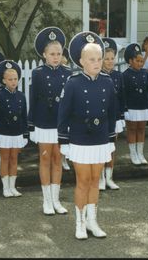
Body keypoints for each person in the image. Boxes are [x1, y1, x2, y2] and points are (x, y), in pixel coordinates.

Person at [59, 31, 116, 239]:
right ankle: (80, 223)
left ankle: (92, 221)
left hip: (100, 139)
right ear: (82, 61)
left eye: (99, 59)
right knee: (82, 181)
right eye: (92, 59)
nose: (97, 63)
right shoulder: (73, 83)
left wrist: (111, 139)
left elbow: (111, 112)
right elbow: (63, 114)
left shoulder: (107, 82)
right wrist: (63, 142)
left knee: (95, 180)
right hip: (80, 140)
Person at [29, 27, 72, 215]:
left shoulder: (68, 73)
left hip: (61, 123)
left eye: (59, 53)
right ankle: (46, 201)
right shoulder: (38, 73)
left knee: (58, 159)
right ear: (44, 55)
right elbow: (33, 99)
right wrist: (31, 124)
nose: (55, 57)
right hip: (44, 122)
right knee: (45, 159)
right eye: (52, 54)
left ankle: (56, 200)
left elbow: (71, 101)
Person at [0, 60, 28, 198]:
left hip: (17, 132)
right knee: (5, 159)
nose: (13, 82)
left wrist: (25, 134)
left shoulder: (21, 96)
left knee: (14, 159)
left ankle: (13, 187)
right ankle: (5, 188)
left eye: (15, 79)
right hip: (3, 133)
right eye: (10, 79)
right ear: (4, 80)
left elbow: (24, 116)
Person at [122, 43, 148, 166]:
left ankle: (140, 153)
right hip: (131, 107)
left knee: (141, 129)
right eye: (137, 61)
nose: (140, 64)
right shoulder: (125, 75)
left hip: (143, 106)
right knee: (132, 129)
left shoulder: (144, 73)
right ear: (130, 61)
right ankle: (133, 154)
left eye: (142, 61)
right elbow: (123, 93)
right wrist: (124, 108)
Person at [98, 37, 123, 191]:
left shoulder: (118, 76)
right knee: (101, 148)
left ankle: (109, 178)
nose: (109, 61)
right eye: (106, 59)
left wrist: (122, 116)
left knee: (112, 148)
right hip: (101, 118)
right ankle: (100, 178)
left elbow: (122, 98)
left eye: (112, 58)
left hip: (115, 117)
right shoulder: (98, 76)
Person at [60, 46, 72, 171]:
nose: (62, 59)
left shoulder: (69, 72)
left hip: (66, 107)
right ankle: (59, 159)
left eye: (64, 57)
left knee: (66, 135)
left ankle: (64, 158)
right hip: (55, 108)